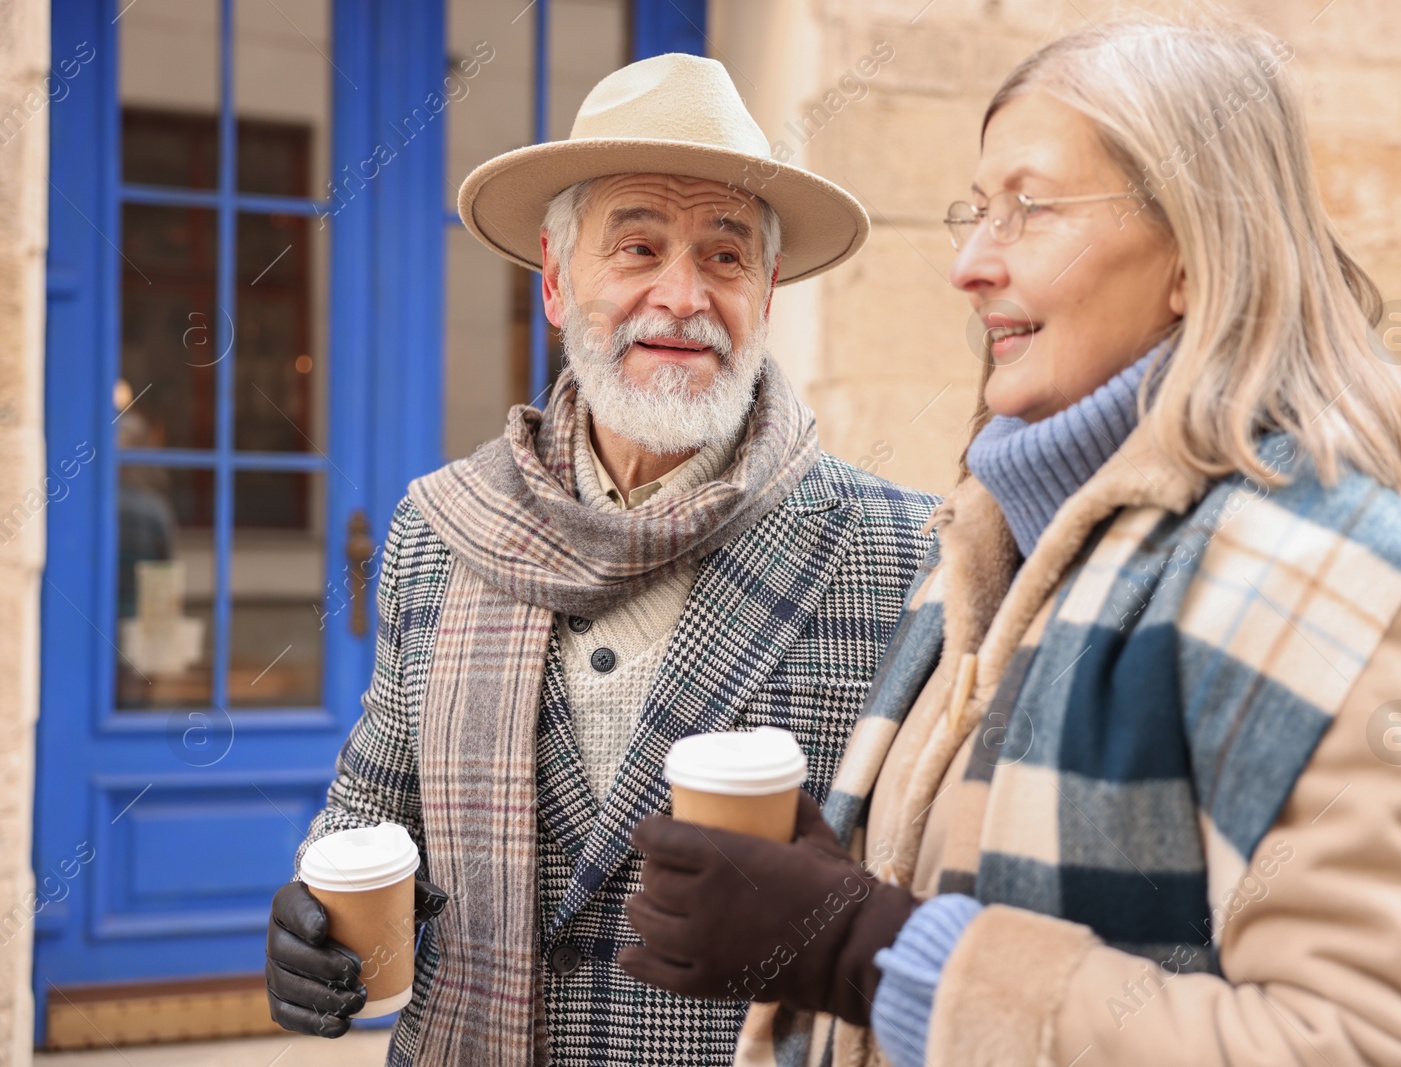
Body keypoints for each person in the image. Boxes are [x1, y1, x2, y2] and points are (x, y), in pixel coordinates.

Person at [623, 14, 1401, 1067]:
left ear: (1194, 250)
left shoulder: (1326, 573)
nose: (968, 266)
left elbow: (1370, 1044)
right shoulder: (985, 543)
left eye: (1030, 212)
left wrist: (872, 949)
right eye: (974, 211)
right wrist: (841, 902)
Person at [263, 53, 937, 1065]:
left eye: (724, 255)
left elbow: (931, 883)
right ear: (555, 283)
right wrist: (313, 909)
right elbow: (375, 802)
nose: (681, 295)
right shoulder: (439, 528)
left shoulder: (900, 550)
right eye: (637, 247)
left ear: (766, 290)